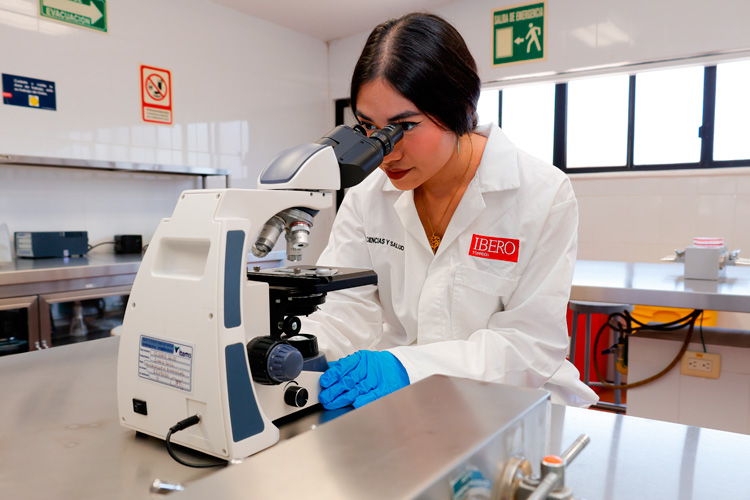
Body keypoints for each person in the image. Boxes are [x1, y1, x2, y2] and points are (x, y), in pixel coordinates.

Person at [303, 12, 598, 409]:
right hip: (404, 406)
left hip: (505, 405)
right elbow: (346, 308)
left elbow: (529, 346)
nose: (386, 152)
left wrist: (407, 368)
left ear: (460, 108)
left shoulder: (542, 193)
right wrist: (301, 352)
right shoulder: (367, 196)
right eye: (368, 127)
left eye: (404, 127)